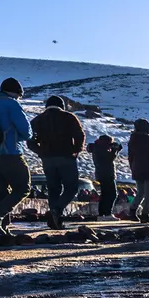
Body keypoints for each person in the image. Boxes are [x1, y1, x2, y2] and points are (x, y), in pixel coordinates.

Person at [28, 95, 85, 229]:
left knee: (53, 189)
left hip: (47, 160)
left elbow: (30, 141)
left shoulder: (38, 120)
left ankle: (55, 221)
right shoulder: (69, 117)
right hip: (66, 157)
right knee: (71, 188)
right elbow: (80, 135)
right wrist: (75, 151)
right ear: (62, 106)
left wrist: (41, 152)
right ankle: (57, 210)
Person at [0, 78, 32, 235]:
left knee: (0, 191)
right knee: (23, 188)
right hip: (8, 153)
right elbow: (26, 132)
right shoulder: (11, 104)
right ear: (16, 93)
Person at [127, 119, 149, 223]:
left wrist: (132, 167)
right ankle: (145, 214)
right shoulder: (148, 138)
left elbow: (130, 156)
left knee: (140, 193)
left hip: (137, 168)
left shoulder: (132, 139)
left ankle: (133, 211)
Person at [88, 134, 121, 220]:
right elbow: (109, 158)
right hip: (107, 174)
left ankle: (102, 214)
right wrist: (115, 150)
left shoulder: (97, 148)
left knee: (105, 194)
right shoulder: (101, 149)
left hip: (102, 174)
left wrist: (114, 150)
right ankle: (107, 213)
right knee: (112, 194)